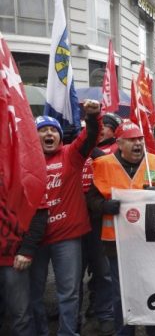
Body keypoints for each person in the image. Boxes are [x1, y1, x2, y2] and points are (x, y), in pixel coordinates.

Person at [88, 121, 155, 336]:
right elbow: (91, 200)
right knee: (122, 292)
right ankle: (124, 332)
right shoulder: (103, 164)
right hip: (117, 243)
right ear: (119, 144)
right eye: (132, 140)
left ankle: (154, 332)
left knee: (153, 288)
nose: (138, 143)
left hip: (152, 242)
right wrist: (104, 206)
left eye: (140, 139)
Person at [31, 99, 101, 336]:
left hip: (67, 237)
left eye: (53, 130)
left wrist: (92, 117)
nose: (49, 133)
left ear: (60, 137)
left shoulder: (71, 154)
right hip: (34, 240)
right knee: (33, 292)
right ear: (33, 137)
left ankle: (68, 333)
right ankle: (40, 331)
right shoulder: (25, 162)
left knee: (69, 292)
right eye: (42, 130)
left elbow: (90, 137)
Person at [79, 112, 121, 335]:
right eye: (99, 126)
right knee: (76, 272)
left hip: (100, 218)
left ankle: (105, 313)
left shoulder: (116, 150)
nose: (102, 129)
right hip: (76, 216)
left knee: (103, 270)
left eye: (106, 126)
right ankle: (79, 312)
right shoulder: (81, 146)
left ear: (114, 131)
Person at [0, 193, 47, 336]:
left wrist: (27, 249)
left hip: (13, 260)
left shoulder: (19, 173)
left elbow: (39, 212)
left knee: (21, 317)